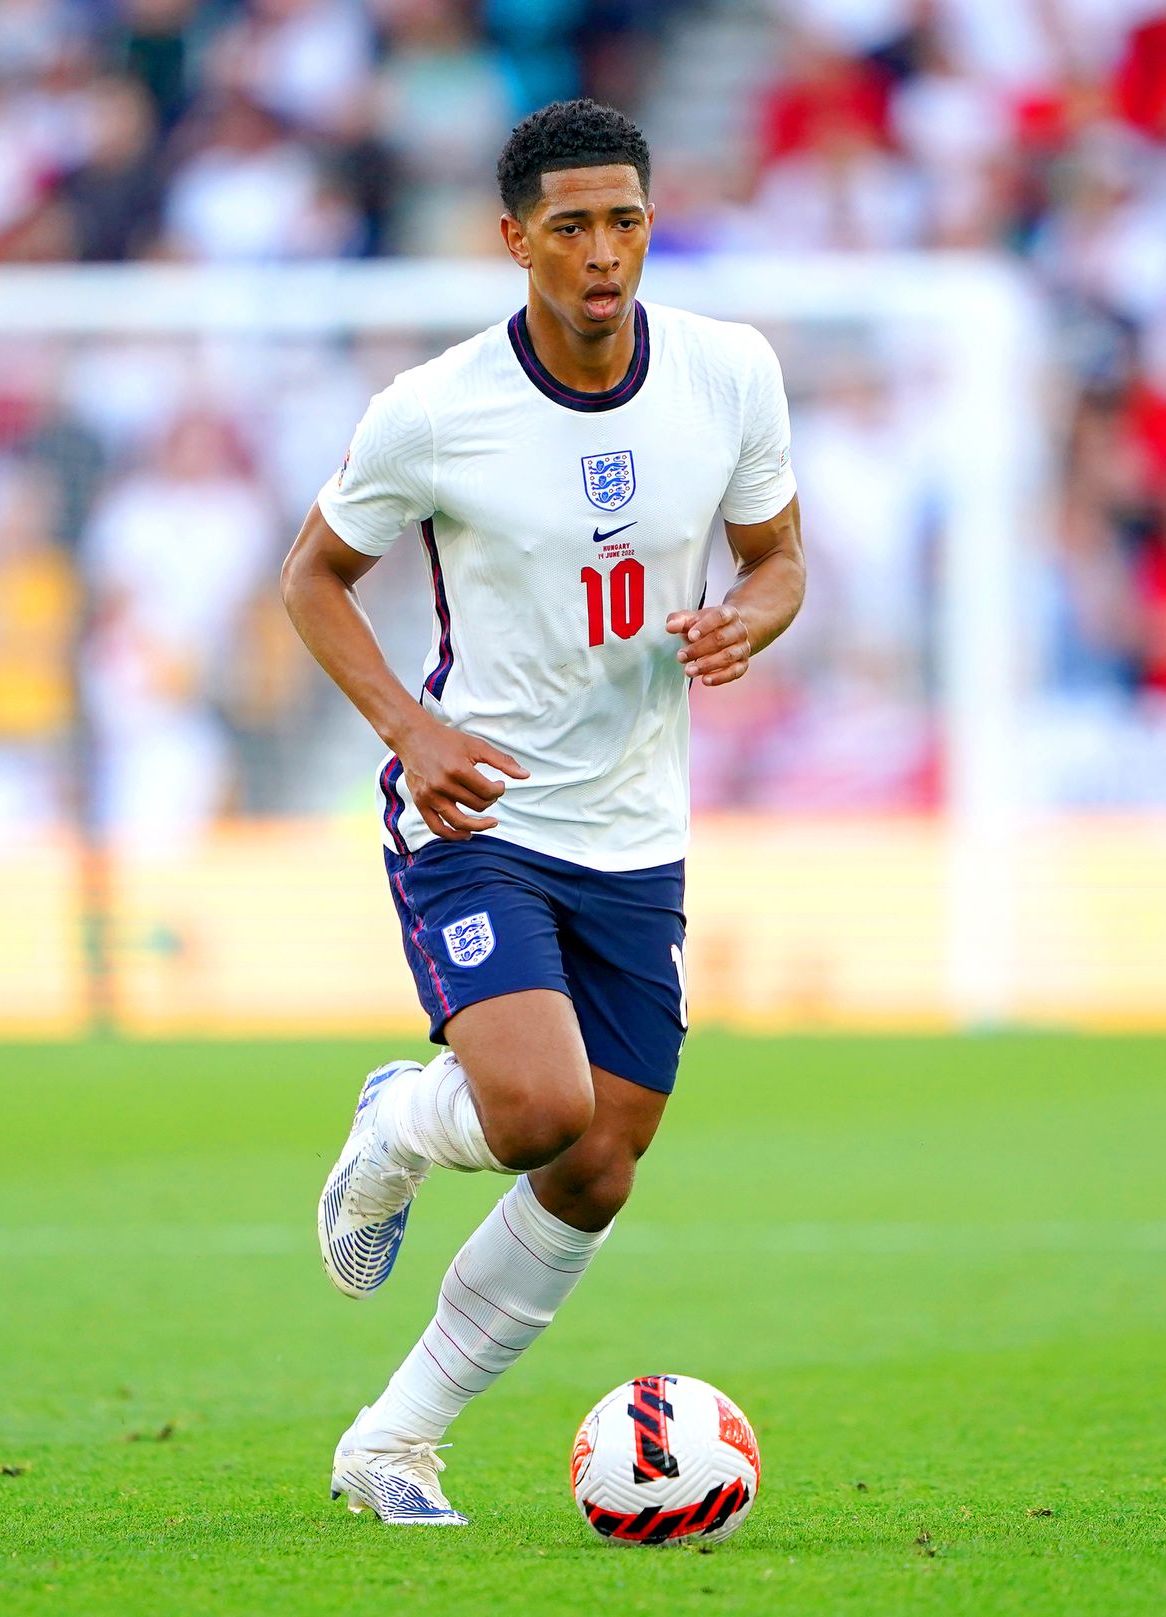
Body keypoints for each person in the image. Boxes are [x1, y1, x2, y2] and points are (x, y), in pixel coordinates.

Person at [281, 97, 804, 1526]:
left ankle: (394, 1441)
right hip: (482, 809)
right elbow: (311, 580)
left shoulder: (729, 373)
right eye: (569, 226)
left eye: (624, 220)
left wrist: (747, 619)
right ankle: (403, 1115)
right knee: (532, 1110)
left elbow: (778, 559)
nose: (602, 254)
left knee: (600, 1162)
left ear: (651, 222)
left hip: (640, 827)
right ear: (513, 238)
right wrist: (410, 725)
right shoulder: (435, 408)